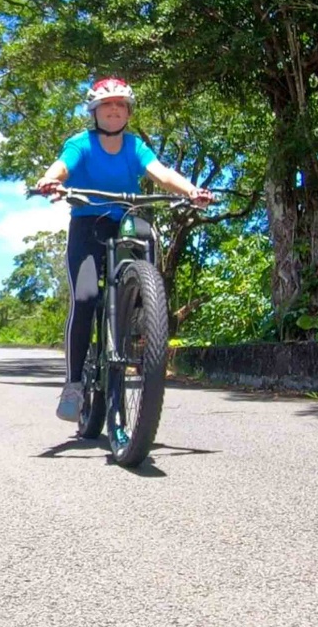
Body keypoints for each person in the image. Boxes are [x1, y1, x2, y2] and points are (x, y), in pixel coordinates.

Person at [34, 77, 212, 422]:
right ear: (95, 111)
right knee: (85, 298)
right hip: (88, 225)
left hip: (125, 222)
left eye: (120, 105)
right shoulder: (80, 143)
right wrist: (49, 179)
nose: (114, 111)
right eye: (107, 105)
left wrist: (192, 191)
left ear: (128, 112)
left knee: (147, 270)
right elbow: (63, 166)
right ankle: (73, 384)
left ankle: (139, 328)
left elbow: (161, 174)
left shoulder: (134, 147)